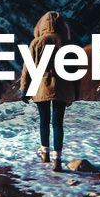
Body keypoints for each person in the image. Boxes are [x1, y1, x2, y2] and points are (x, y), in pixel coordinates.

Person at [19, 10, 78, 171]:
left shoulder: (36, 43)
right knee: (58, 123)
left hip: (41, 87)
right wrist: (75, 93)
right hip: (62, 87)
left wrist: (24, 89)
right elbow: (74, 70)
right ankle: (57, 160)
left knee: (44, 121)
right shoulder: (66, 44)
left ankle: (44, 152)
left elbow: (27, 69)